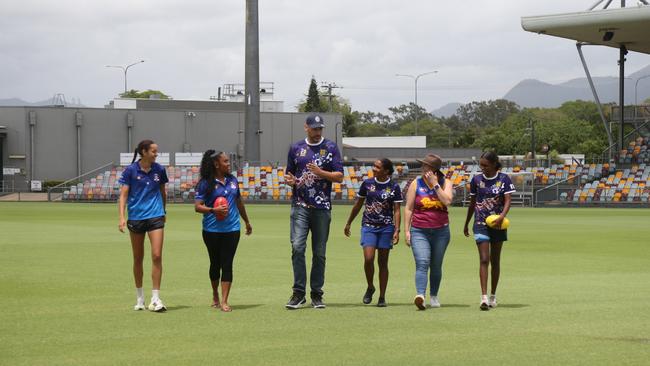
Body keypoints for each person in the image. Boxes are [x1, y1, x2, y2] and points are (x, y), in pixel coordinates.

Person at [284, 114, 343, 309]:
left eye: (320, 129)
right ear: (306, 128)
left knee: (319, 253)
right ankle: (298, 293)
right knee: (298, 247)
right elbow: (289, 174)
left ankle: (317, 294)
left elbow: (339, 176)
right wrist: (290, 180)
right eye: (314, 128)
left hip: (322, 207)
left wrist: (321, 173)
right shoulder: (296, 148)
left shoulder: (331, 148)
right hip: (300, 206)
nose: (318, 132)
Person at [195, 150, 252, 313]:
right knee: (215, 263)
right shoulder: (206, 183)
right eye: (226, 161)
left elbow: (239, 202)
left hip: (232, 229)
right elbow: (197, 207)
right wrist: (214, 209)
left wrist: (247, 221)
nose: (229, 164)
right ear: (216, 164)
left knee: (227, 264)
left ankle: (225, 300)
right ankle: (215, 294)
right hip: (211, 230)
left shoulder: (233, 180)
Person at [118, 140, 169, 312]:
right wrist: (121, 217)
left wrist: (164, 211)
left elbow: (162, 192)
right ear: (144, 151)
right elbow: (124, 195)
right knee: (138, 258)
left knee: (156, 255)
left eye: (157, 151)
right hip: (136, 217)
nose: (156, 154)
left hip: (156, 216)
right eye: (154, 151)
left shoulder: (159, 170)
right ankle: (140, 297)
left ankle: (156, 298)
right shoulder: (131, 170)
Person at [344, 158, 402, 307]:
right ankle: (370, 286)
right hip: (369, 226)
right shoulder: (367, 183)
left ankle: (382, 297)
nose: (374, 168)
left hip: (386, 227)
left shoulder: (394, 187)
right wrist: (349, 222)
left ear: (386, 171)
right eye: (374, 166)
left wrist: (397, 229)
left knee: (383, 262)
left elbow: (396, 210)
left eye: (377, 166)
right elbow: (358, 205)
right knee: (369, 259)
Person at [463, 151, 515, 310]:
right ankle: (484, 298)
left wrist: (502, 216)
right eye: (481, 165)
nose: (482, 168)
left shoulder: (504, 179)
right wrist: (466, 223)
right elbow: (472, 203)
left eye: (485, 165)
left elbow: (508, 200)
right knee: (484, 259)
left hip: (498, 224)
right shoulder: (476, 180)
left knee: (495, 260)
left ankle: (493, 295)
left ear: (494, 164)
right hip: (480, 223)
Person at [403, 154, 454, 310]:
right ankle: (420, 295)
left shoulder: (446, 183)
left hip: (441, 232)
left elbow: (447, 201)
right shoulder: (415, 184)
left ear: (433, 169)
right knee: (422, 262)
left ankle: (434, 295)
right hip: (419, 230)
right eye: (423, 166)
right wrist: (406, 230)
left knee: (436, 265)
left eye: (426, 166)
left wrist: (435, 185)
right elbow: (409, 208)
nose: (423, 168)